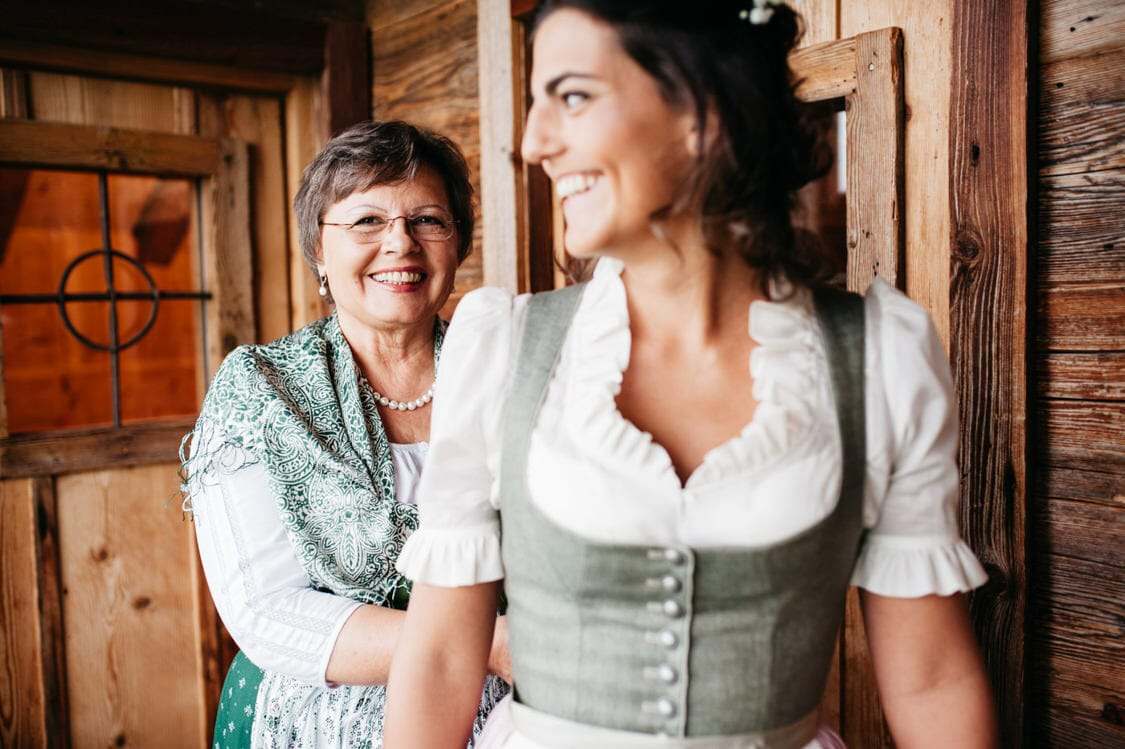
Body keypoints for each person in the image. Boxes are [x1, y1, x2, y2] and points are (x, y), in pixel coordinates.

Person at [384, 1, 1001, 747]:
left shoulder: (879, 358)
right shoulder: (505, 350)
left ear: (700, 111)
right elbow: (444, 659)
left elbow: (930, 675)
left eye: (571, 96)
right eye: (534, 104)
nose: (534, 141)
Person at [180, 120, 509, 749]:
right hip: (322, 720)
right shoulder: (260, 388)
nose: (400, 244)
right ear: (318, 251)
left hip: (508, 721)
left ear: (458, 242)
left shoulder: (508, 365)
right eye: (366, 222)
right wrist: (488, 644)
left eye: (428, 220)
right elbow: (265, 610)